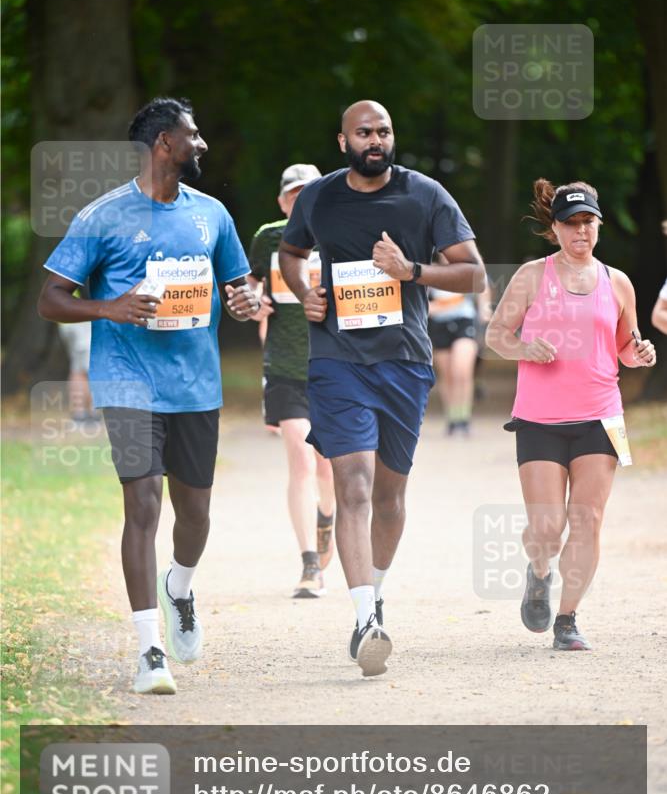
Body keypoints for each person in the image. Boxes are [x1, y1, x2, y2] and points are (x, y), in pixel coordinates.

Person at [38, 96, 260, 694]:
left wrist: (246, 301)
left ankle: (179, 589)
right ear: (165, 143)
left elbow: (242, 287)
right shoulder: (103, 216)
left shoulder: (212, 215)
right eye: (194, 135)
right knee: (143, 507)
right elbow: (51, 298)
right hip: (127, 381)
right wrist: (108, 306)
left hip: (196, 384)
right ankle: (149, 652)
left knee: (195, 515)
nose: (203, 144)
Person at [279, 100, 484, 677]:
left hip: (405, 362)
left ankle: (377, 590)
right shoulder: (319, 196)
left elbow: (475, 273)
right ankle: (366, 618)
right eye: (364, 132)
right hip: (337, 360)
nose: (376, 139)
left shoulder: (425, 195)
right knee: (354, 484)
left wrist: (412, 271)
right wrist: (304, 292)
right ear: (342, 140)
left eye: (385, 130)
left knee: (391, 495)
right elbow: (290, 252)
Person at [486, 178, 656, 651]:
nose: (581, 231)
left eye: (589, 222)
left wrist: (638, 352)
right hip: (540, 418)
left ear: (598, 225)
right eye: (571, 223)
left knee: (588, 520)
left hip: (600, 417)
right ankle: (539, 572)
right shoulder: (532, 276)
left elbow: (624, 345)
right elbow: (495, 335)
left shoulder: (616, 282)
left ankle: (567, 619)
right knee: (546, 529)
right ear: (555, 228)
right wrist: (524, 347)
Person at [248, 164, 335, 598]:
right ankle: (308, 565)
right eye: (292, 195)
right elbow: (244, 293)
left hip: (333, 366)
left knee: (327, 467)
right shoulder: (268, 237)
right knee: (301, 461)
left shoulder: (340, 231)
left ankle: (328, 517)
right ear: (282, 202)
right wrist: (252, 303)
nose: (300, 201)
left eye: (308, 193)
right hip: (284, 366)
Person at [428, 278, 492, 436]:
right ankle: (453, 419)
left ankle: (463, 419)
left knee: (461, 371)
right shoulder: (428, 264)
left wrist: (485, 308)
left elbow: (483, 284)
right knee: (447, 375)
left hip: (465, 322)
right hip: (437, 325)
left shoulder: (467, 260)